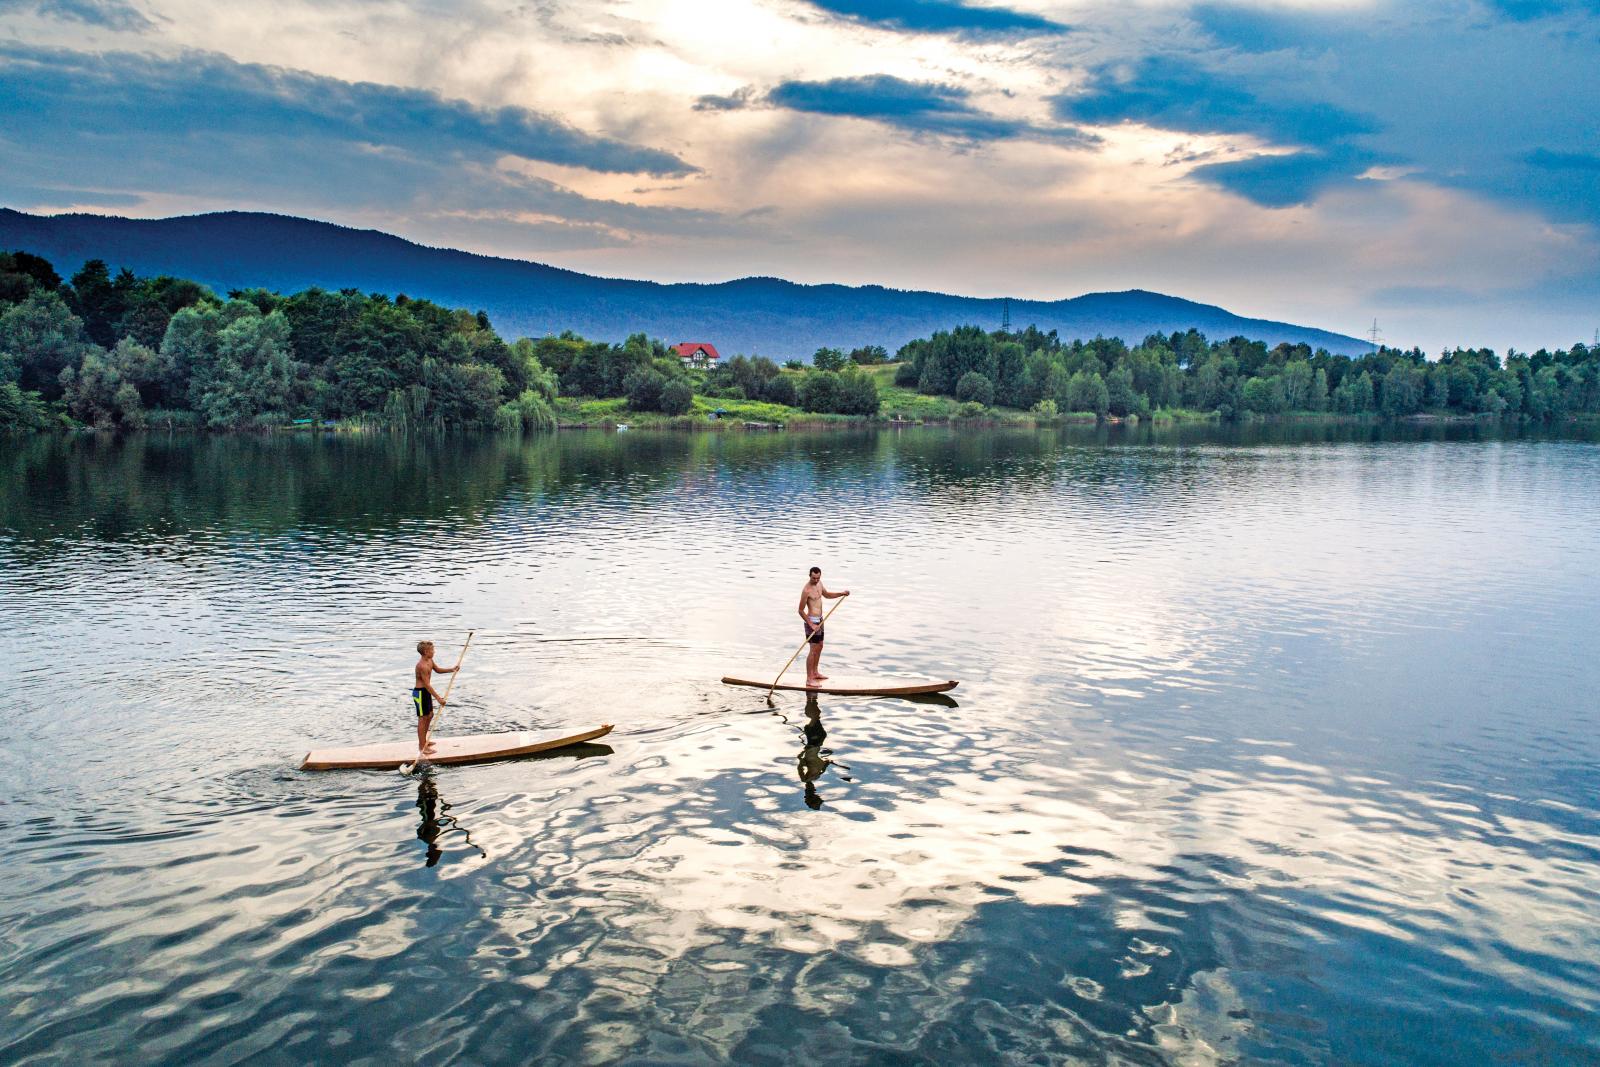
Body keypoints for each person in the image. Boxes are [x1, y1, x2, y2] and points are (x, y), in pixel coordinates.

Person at [797, 566, 849, 686]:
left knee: (820, 646)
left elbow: (827, 595)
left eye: (818, 578)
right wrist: (811, 624)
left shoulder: (819, 584)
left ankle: (815, 673)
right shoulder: (806, 590)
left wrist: (841, 593)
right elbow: (800, 610)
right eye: (814, 578)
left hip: (820, 620)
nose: (816, 580)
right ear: (809, 575)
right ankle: (809, 679)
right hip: (811, 622)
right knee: (813, 649)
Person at [412, 639, 458, 754]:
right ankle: (422, 747)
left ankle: (425, 741)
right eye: (432, 650)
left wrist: (451, 669)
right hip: (420, 693)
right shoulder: (421, 666)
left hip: (426, 692)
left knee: (430, 715)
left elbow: (437, 670)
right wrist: (438, 698)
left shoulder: (430, 660)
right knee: (422, 719)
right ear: (426, 652)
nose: (434, 651)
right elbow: (427, 685)